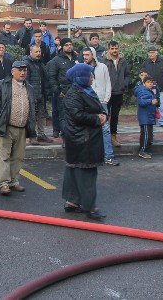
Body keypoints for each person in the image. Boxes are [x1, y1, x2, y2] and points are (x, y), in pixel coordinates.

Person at [62, 63, 108, 221]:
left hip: (81, 138)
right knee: (87, 172)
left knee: (75, 170)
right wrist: (97, 119)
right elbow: (77, 115)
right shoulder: (74, 93)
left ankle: (73, 201)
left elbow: (96, 107)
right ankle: (90, 207)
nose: (92, 77)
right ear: (81, 76)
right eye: (89, 75)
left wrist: (102, 114)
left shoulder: (84, 90)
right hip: (82, 139)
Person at [0, 60, 36, 195]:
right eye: (20, 70)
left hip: (22, 127)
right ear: (12, 71)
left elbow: (33, 107)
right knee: (3, 156)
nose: (22, 72)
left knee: (18, 157)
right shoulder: (2, 84)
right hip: (6, 127)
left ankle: (14, 181)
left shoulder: (29, 87)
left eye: (25, 70)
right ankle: (3, 183)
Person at [83, 47, 117, 165]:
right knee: (89, 129)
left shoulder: (103, 67)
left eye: (87, 55)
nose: (85, 57)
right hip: (89, 103)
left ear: (93, 55)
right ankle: (91, 156)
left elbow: (108, 82)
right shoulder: (83, 68)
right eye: (84, 55)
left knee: (105, 129)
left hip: (102, 102)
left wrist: (106, 99)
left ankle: (109, 156)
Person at [46, 38, 77, 141]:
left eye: (70, 44)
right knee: (62, 114)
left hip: (75, 92)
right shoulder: (56, 60)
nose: (69, 46)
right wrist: (58, 91)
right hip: (62, 93)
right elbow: (52, 77)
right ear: (62, 47)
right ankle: (64, 136)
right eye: (67, 45)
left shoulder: (76, 59)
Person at [103, 40, 130, 148]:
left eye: (116, 48)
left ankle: (113, 136)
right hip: (107, 93)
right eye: (112, 49)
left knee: (115, 116)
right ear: (109, 49)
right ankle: (105, 137)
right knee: (105, 116)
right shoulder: (104, 61)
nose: (114, 51)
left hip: (119, 92)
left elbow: (127, 74)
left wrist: (124, 84)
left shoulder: (123, 60)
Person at [25, 44, 53, 145]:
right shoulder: (27, 64)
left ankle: (41, 134)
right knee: (32, 116)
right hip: (31, 95)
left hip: (41, 94)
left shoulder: (41, 63)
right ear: (31, 52)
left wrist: (46, 91)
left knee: (41, 115)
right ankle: (32, 136)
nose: (39, 54)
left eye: (39, 52)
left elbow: (45, 78)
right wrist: (29, 94)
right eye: (36, 52)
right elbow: (26, 80)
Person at [140, 46, 163, 128]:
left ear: (156, 53)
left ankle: (162, 122)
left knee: (161, 105)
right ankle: (151, 121)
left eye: (152, 52)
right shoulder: (145, 63)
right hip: (148, 89)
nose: (151, 54)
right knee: (150, 104)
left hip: (159, 88)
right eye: (149, 52)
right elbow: (141, 73)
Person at [134, 76, 158, 159]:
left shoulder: (148, 91)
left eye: (151, 82)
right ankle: (142, 151)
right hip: (145, 117)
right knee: (146, 135)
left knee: (147, 134)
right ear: (144, 83)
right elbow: (141, 102)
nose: (150, 84)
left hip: (148, 116)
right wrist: (150, 101)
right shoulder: (143, 91)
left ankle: (145, 150)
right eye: (148, 82)